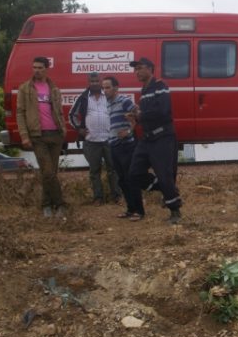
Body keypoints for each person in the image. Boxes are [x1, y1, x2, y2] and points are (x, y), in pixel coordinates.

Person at [128, 57, 183, 224]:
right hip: (147, 138)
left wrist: (141, 115)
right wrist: (135, 118)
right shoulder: (143, 91)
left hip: (162, 137)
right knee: (134, 173)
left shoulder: (160, 86)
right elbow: (146, 116)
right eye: (135, 69)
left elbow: (164, 111)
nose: (137, 72)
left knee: (164, 173)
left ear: (151, 69)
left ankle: (175, 212)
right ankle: (167, 188)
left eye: (140, 68)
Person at [16, 56, 67, 218]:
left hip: (56, 135)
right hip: (38, 136)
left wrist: (63, 130)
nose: (36, 70)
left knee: (51, 173)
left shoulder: (53, 88)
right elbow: (20, 113)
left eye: (40, 67)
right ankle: (59, 205)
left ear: (46, 68)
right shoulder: (25, 88)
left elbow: (58, 111)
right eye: (34, 67)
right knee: (48, 171)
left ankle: (47, 205)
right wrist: (24, 135)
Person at [102, 76, 152, 221]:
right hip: (114, 145)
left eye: (108, 87)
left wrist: (130, 130)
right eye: (103, 88)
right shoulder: (107, 104)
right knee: (122, 180)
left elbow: (139, 115)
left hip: (126, 146)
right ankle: (130, 209)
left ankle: (140, 211)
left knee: (131, 178)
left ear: (116, 88)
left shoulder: (124, 101)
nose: (105, 91)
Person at [69, 72, 122, 206]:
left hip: (109, 139)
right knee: (94, 171)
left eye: (96, 81)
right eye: (91, 81)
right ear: (89, 82)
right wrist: (78, 128)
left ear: (101, 82)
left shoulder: (108, 96)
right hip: (91, 140)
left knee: (113, 169)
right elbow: (72, 115)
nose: (94, 84)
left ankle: (116, 195)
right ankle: (98, 198)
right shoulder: (83, 98)